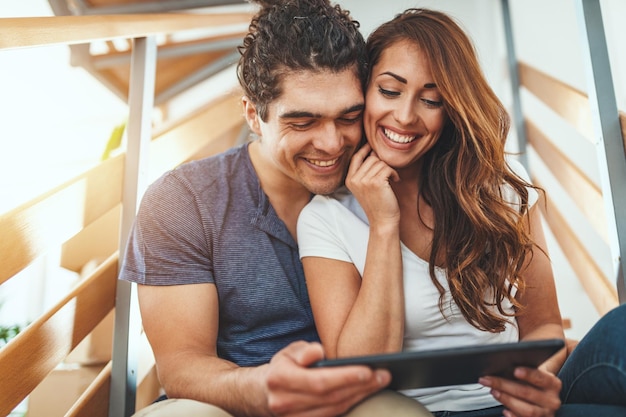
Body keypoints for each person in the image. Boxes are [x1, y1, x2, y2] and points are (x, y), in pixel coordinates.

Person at [297, 8, 626, 417]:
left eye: (431, 99)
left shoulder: (500, 188)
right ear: (364, 92)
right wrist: (383, 225)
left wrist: (537, 383)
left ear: (451, 108)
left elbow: (543, 325)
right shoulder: (326, 218)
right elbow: (359, 369)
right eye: (389, 90)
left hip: (518, 406)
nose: (404, 116)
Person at [120, 1, 433, 416]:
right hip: (233, 402)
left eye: (348, 117)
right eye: (302, 123)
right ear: (253, 113)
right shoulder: (183, 200)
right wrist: (263, 386)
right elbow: (181, 369)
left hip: (353, 400)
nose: (331, 143)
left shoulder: (388, 183)